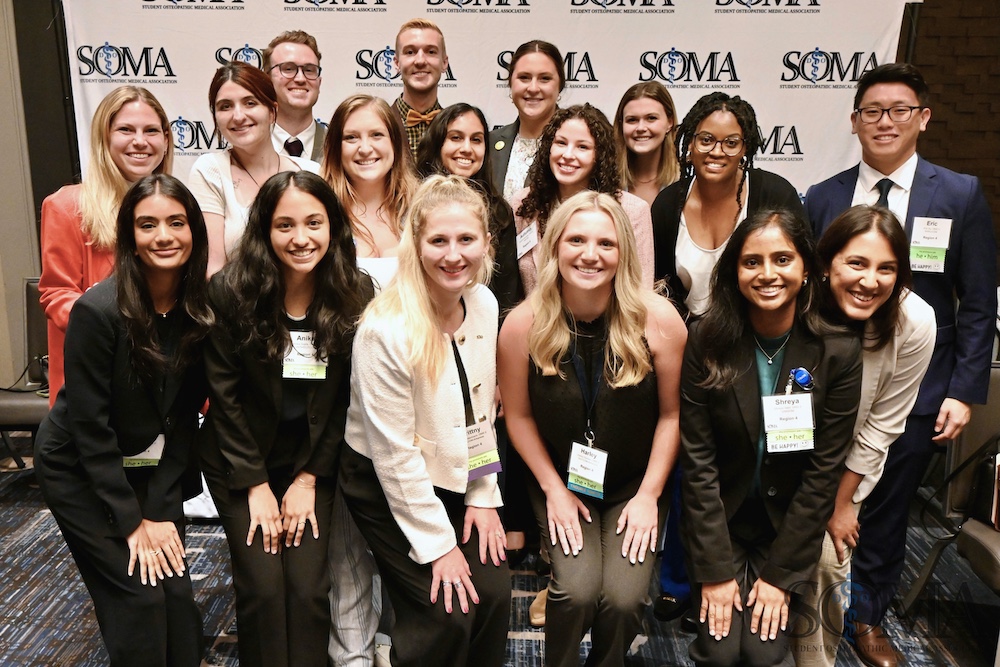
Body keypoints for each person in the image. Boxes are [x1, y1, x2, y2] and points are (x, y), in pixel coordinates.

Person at [805, 63, 996, 667]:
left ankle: (867, 621)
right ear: (855, 121)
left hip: (920, 385)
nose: (884, 122)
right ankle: (808, 615)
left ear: (923, 118)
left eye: (898, 110)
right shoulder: (825, 195)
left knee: (884, 513)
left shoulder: (958, 193)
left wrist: (964, 390)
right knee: (824, 502)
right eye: (872, 111)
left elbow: (979, 299)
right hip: (829, 383)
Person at [498, 190, 686, 667]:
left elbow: (671, 416)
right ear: (553, 247)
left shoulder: (659, 320)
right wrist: (553, 490)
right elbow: (517, 418)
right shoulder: (523, 324)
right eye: (576, 239)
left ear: (624, 251)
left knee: (623, 599)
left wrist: (648, 496)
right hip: (558, 480)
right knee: (577, 592)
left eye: (605, 243)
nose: (589, 254)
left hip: (633, 485)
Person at [35, 174, 212, 667]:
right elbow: (90, 429)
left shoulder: (200, 312)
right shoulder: (98, 311)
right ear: (129, 237)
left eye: (176, 222)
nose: (163, 236)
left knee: (175, 600)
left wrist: (158, 510)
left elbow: (183, 420)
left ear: (194, 230)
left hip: (151, 470)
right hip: (81, 470)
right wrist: (132, 522)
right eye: (147, 224)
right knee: (138, 597)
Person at [199, 171, 373, 667]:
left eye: (314, 223)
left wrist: (309, 478)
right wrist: (255, 485)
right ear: (264, 230)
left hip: (311, 464)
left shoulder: (354, 293)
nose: (301, 239)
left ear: (333, 227)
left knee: (306, 589)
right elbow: (223, 398)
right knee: (263, 588)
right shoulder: (230, 292)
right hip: (240, 463)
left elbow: (350, 400)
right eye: (285, 225)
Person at [340, 175, 510, 667]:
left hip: (459, 470)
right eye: (438, 240)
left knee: (495, 593)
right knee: (448, 611)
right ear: (415, 245)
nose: (453, 255)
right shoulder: (384, 330)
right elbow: (395, 457)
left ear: (485, 243)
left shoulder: (483, 303)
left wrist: (482, 493)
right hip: (385, 480)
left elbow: (480, 412)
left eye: (466, 240)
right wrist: (439, 547)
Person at [680, 209, 862, 667]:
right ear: (734, 272)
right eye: (751, 262)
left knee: (763, 654)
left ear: (806, 269)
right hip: (721, 521)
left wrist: (780, 577)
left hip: (784, 526)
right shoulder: (705, 339)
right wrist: (717, 573)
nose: (767, 274)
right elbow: (698, 464)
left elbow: (823, 474)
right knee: (720, 653)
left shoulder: (838, 351)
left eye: (783, 259)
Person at [791, 206, 935, 667]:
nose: (870, 280)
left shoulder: (915, 321)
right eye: (857, 263)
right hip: (779, 454)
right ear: (826, 262)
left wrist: (840, 505)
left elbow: (881, 428)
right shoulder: (795, 301)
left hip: (845, 470)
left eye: (886, 268)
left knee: (831, 564)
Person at [39, 85, 173, 406]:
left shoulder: (178, 209)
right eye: (125, 129)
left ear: (166, 140)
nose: (140, 141)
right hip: (97, 381)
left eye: (151, 130)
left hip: (163, 379)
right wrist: (123, 330)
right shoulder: (67, 206)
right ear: (104, 137)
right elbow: (57, 296)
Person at [651, 92, 804, 319]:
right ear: (690, 143)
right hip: (687, 340)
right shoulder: (667, 204)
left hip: (759, 335)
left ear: (744, 149)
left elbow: (799, 271)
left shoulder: (775, 195)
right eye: (706, 140)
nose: (717, 151)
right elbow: (660, 291)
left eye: (731, 143)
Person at [188, 61, 320, 275]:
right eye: (225, 106)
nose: (238, 116)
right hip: (234, 303)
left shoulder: (312, 173)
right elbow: (213, 268)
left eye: (250, 103)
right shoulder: (210, 170)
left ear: (271, 111)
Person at [513, 103, 655, 295]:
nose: (568, 155)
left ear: (599, 156)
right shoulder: (524, 204)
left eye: (582, 147)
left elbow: (641, 290)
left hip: (607, 324)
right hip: (536, 322)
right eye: (561, 143)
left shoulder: (632, 211)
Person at [417, 102, 523, 313]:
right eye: (456, 138)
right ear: (438, 143)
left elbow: (507, 292)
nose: (466, 148)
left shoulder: (500, 213)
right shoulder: (414, 204)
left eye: (476, 140)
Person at [322, 94, 418, 287]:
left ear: (395, 143)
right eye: (351, 137)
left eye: (376, 135)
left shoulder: (422, 209)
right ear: (336, 149)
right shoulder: (320, 211)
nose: (365, 148)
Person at [490, 39, 564, 202]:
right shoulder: (488, 142)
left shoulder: (576, 144)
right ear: (510, 84)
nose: (533, 88)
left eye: (544, 78)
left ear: (560, 86)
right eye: (524, 77)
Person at [613, 81, 680, 208]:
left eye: (651, 118)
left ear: (669, 123)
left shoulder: (685, 183)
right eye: (632, 120)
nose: (641, 128)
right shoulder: (606, 182)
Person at [264, 30, 327, 162]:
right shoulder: (247, 149)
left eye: (309, 70)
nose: (300, 78)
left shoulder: (338, 148)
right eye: (288, 69)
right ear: (267, 80)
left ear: (319, 83)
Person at [390, 18, 449, 158]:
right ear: (397, 63)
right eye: (410, 52)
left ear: (444, 63)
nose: (420, 61)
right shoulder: (378, 124)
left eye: (431, 52)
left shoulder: (455, 128)